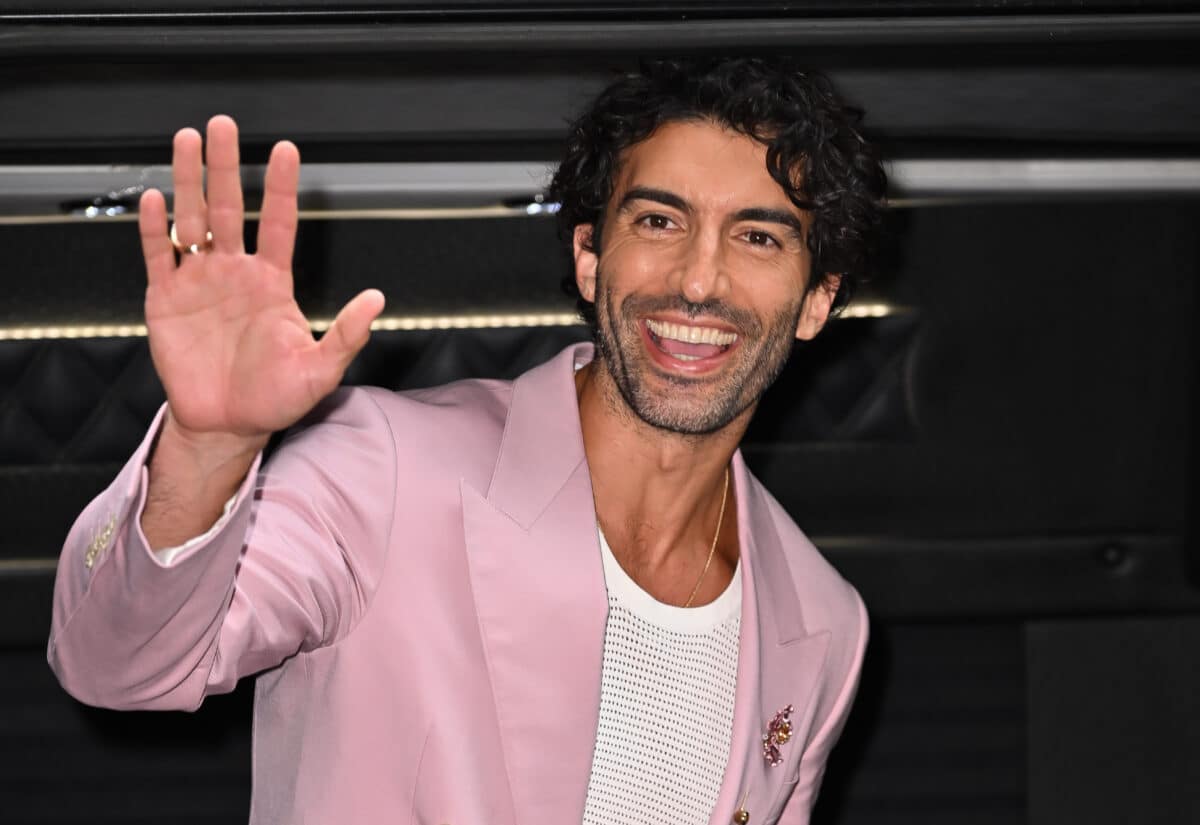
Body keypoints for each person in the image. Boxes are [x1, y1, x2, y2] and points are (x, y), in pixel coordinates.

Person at [48, 58, 885, 825]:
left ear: (817, 299)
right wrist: (208, 443)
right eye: (661, 221)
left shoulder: (821, 621)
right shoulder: (381, 470)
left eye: (758, 237)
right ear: (591, 256)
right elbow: (120, 666)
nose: (700, 281)